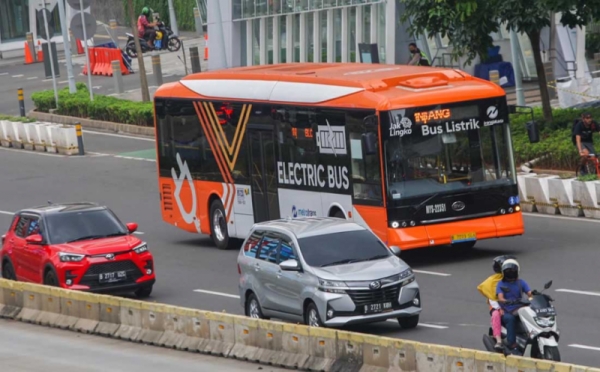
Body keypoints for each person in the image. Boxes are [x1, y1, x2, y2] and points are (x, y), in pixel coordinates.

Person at [477, 255, 515, 351]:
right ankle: (498, 340)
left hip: (511, 305)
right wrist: (499, 308)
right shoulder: (492, 281)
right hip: (497, 308)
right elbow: (492, 298)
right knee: (495, 315)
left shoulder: (512, 279)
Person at [496, 259, 533, 351]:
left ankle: (532, 336)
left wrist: (533, 297)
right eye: (508, 272)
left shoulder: (521, 282)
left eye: (512, 271)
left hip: (520, 307)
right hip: (507, 310)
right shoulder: (501, 284)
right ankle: (511, 343)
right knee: (510, 319)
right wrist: (506, 301)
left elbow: (529, 294)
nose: (510, 273)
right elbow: (500, 297)